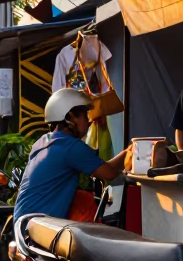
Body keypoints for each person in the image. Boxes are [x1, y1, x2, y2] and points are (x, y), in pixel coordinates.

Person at [13, 88, 129, 223]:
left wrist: (126, 153)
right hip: (37, 228)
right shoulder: (70, 146)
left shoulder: (43, 141)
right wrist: (129, 153)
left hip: (21, 223)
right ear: (70, 117)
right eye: (85, 116)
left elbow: (103, 168)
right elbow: (109, 173)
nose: (89, 122)